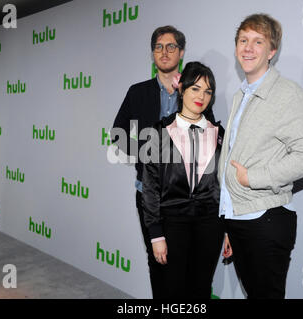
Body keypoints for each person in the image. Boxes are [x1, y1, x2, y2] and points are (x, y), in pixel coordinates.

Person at [218, 13, 303, 299]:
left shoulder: (288, 94)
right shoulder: (242, 94)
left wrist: (253, 178)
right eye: (243, 40)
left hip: (265, 220)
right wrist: (228, 218)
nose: (247, 48)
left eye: (257, 41)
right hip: (241, 217)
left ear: (272, 51)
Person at [112, 26, 215, 298]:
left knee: (190, 267)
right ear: (152, 53)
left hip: (187, 200)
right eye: (158, 46)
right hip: (148, 194)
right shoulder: (138, 92)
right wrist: (148, 154)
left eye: (171, 46)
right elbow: (117, 133)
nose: (164, 52)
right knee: (157, 261)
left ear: (181, 52)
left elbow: (210, 137)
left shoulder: (195, 91)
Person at [141, 61, 225, 299]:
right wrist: (156, 234)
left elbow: (226, 185)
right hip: (173, 221)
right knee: (172, 288)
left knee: (201, 288)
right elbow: (150, 187)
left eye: (208, 91)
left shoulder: (219, 134)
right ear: (181, 89)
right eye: (195, 88)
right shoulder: (159, 132)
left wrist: (228, 230)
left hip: (211, 223)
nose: (202, 96)